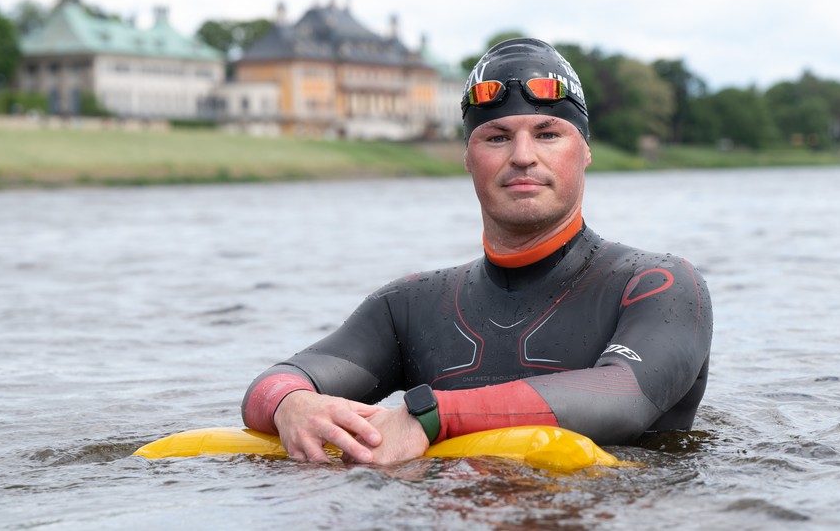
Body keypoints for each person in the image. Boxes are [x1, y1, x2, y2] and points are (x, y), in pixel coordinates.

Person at [241, 37, 713, 464]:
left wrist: (431, 416)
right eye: (497, 137)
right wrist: (293, 405)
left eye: (548, 134)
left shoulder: (657, 285)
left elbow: (623, 398)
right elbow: (276, 382)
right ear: (468, 158)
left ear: (584, 151)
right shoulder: (410, 305)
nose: (523, 156)